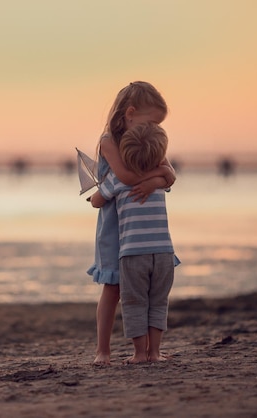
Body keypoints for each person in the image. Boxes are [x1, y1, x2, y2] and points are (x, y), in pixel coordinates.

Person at [88, 81, 176, 366]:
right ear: (130, 113)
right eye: (151, 122)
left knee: (139, 288)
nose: (154, 130)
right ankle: (103, 350)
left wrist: (160, 175)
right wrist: (155, 178)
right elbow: (126, 177)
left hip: (137, 223)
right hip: (116, 223)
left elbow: (170, 175)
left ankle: (147, 351)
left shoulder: (146, 144)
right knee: (113, 286)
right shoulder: (109, 141)